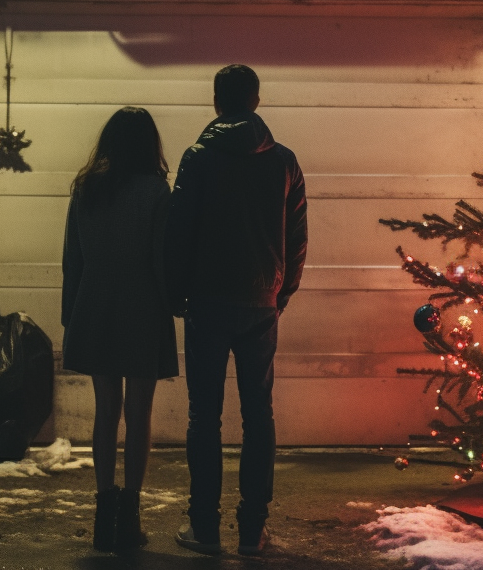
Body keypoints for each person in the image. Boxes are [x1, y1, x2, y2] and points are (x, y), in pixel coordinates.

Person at [166, 64, 308, 556]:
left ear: (216, 102)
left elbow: (178, 230)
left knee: (203, 417)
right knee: (258, 415)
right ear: (256, 101)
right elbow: (297, 238)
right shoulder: (284, 161)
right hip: (259, 304)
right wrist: (280, 293)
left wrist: (175, 293)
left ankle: (204, 528)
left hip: (206, 302)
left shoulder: (197, 158)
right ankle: (253, 531)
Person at [60, 106, 178, 553]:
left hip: (95, 307)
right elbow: (161, 260)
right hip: (143, 309)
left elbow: (73, 260)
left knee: (105, 410)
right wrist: (174, 307)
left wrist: (72, 314)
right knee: (139, 413)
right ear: (150, 145)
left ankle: (102, 515)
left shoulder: (86, 190)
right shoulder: (155, 192)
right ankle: (129, 517)